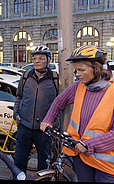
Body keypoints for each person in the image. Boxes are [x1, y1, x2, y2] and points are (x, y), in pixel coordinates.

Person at [40, 45, 114, 182]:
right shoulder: (78, 86)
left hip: (106, 165)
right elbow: (59, 101)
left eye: (81, 70)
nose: (77, 74)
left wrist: (89, 145)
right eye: (76, 70)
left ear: (96, 69)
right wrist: (47, 120)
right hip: (81, 157)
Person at [13, 45, 59, 173]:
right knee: (19, 160)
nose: (36, 61)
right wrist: (16, 113)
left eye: (41, 58)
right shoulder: (26, 76)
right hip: (25, 125)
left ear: (48, 60)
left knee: (44, 163)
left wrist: (54, 123)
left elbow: (59, 103)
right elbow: (19, 96)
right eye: (34, 58)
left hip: (44, 129)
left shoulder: (54, 78)